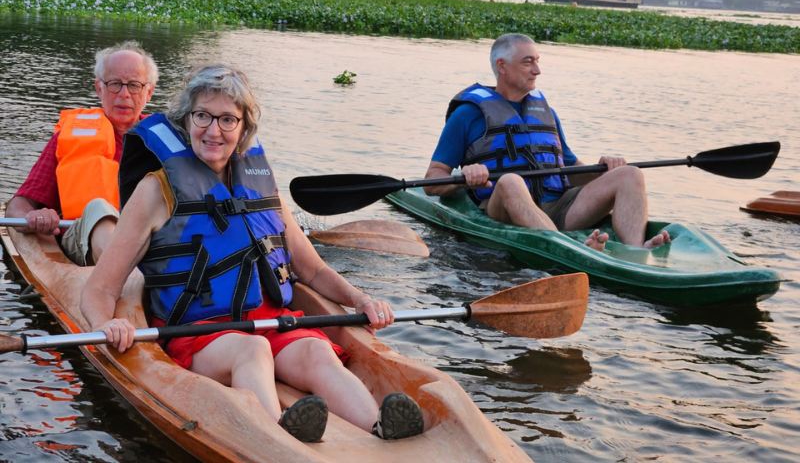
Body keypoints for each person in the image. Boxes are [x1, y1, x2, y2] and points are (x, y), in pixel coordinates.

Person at [80, 63, 425, 444]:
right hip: (199, 334)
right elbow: (99, 289)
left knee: (315, 350)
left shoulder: (260, 187)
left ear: (244, 129)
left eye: (228, 119)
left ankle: (378, 425)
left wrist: (361, 299)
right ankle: (277, 436)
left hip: (267, 319)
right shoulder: (155, 191)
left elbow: (311, 270)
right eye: (203, 117)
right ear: (185, 121)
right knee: (252, 349)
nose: (214, 131)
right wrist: (105, 325)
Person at [423, 33, 670, 251]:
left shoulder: (545, 111)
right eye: (527, 62)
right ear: (502, 66)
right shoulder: (467, 114)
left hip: (560, 208)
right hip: (504, 209)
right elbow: (432, 180)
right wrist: (465, 179)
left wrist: (602, 171)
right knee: (510, 181)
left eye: (537, 61)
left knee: (630, 174)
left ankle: (637, 249)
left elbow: (570, 170)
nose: (537, 70)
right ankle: (566, 249)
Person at [6, 41, 157, 266]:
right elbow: (18, 205)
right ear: (99, 89)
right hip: (84, 241)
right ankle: (124, 276)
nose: (124, 94)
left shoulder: (169, 141)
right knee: (98, 207)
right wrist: (33, 217)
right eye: (115, 84)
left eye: (134, 85)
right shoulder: (69, 138)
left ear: (149, 92)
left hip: (152, 240)